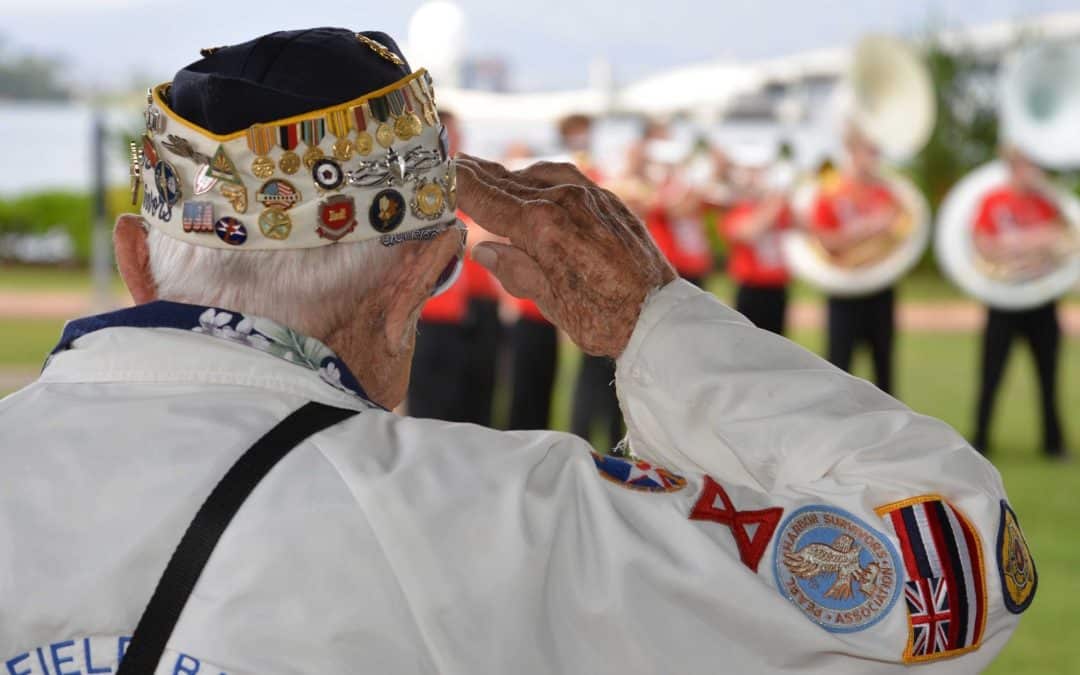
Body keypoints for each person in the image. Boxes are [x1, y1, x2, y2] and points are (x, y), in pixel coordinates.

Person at [0, 28, 1034, 674]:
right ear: (421, 278)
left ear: (137, 257)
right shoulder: (494, 516)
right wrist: (656, 323)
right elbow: (955, 566)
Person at [971, 146, 1072, 458]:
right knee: (991, 374)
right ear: (1015, 165)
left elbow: (1065, 241)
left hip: (1041, 300)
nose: (1036, 171)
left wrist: (1020, 245)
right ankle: (980, 440)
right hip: (1003, 300)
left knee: (1048, 375)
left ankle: (1053, 444)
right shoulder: (993, 200)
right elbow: (985, 246)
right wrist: (1035, 242)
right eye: (1031, 164)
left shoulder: (1049, 203)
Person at [810, 124, 902, 393]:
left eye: (878, 152)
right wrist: (867, 228)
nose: (875, 158)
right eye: (869, 151)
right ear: (851, 150)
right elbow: (824, 241)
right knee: (838, 368)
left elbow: (900, 239)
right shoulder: (831, 191)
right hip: (844, 289)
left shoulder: (888, 193)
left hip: (880, 289)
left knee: (885, 371)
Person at [559, 114, 624, 448]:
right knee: (591, 369)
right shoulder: (568, 171)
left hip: (608, 282)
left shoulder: (595, 171)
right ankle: (581, 439)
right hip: (586, 282)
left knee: (614, 368)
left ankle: (614, 440)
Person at [406, 109, 471, 422]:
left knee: (449, 406)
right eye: (452, 134)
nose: (458, 141)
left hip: (452, 315)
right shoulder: (419, 180)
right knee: (424, 408)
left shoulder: (454, 182)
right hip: (425, 313)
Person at [721, 143, 792, 335]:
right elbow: (750, 232)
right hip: (752, 289)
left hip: (778, 287)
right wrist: (776, 200)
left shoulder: (778, 206)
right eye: (752, 172)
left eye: (760, 171)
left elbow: (804, 228)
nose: (757, 178)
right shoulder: (738, 209)